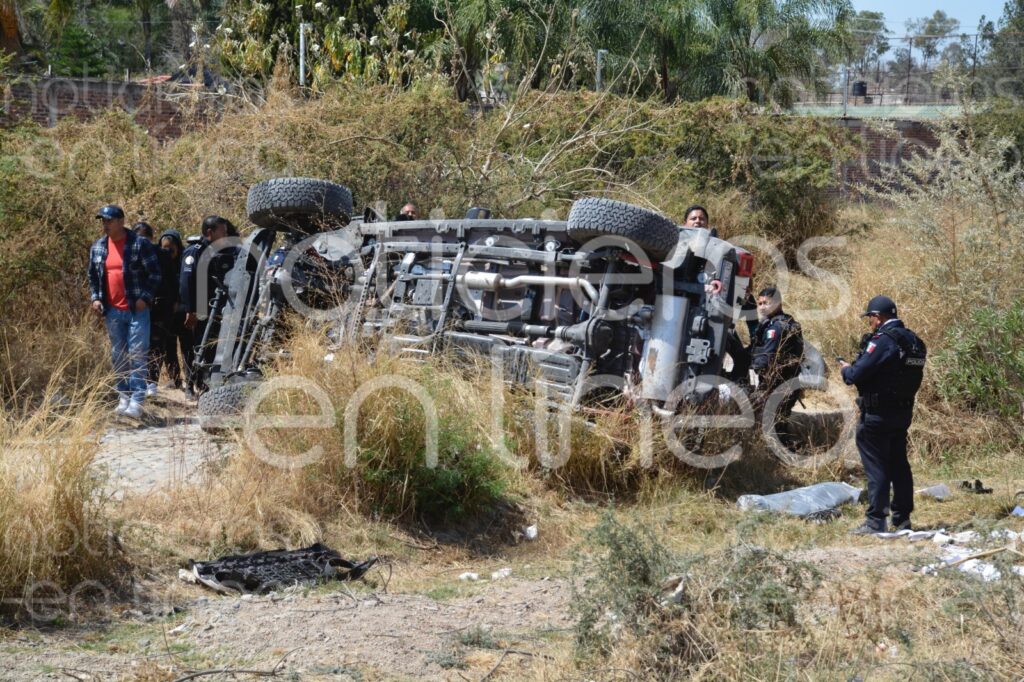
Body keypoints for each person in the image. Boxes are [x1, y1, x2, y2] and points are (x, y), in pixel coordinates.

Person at [840, 295, 927, 535]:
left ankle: (875, 520)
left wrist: (846, 368)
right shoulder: (914, 341)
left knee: (876, 466)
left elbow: (855, 375)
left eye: (870, 318)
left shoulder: (883, 341)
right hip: (902, 412)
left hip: (877, 413)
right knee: (899, 464)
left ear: (877, 317)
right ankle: (902, 519)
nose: (870, 323)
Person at [88, 205, 161, 419]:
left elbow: (155, 274)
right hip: (111, 311)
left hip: (136, 310)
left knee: (138, 354)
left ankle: (137, 401)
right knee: (118, 355)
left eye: (109, 220)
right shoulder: (99, 247)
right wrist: (96, 298)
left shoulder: (140, 244)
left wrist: (145, 298)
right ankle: (123, 396)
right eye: (103, 220)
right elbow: (93, 277)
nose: (105, 224)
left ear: (121, 221)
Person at [179, 215, 233, 397]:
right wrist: (190, 310)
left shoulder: (217, 251)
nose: (226, 235)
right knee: (194, 347)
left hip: (214, 308)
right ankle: (189, 385)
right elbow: (186, 282)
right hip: (197, 309)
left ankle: (205, 386)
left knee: (210, 347)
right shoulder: (195, 251)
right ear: (210, 232)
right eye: (222, 231)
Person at [749, 287, 804, 433]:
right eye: (759, 304)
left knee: (769, 426)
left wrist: (751, 368)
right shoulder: (788, 322)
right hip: (787, 384)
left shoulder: (776, 328)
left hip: (777, 386)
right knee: (778, 425)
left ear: (778, 303)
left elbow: (767, 358)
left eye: (765, 303)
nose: (762, 307)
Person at [155, 229, 190, 391]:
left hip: (184, 311)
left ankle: (190, 379)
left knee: (187, 347)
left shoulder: (186, 261)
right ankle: (175, 380)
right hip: (165, 311)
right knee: (168, 348)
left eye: (171, 249)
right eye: (165, 249)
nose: (168, 252)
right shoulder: (159, 262)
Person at [132, 222, 163, 397]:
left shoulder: (159, 254)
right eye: (140, 237)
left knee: (155, 345)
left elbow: (163, 279)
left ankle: (152, 382)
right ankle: (137, 384)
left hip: (157, 306)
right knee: (136, 346)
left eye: (146, 238)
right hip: (136, 306)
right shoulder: (128, 254)